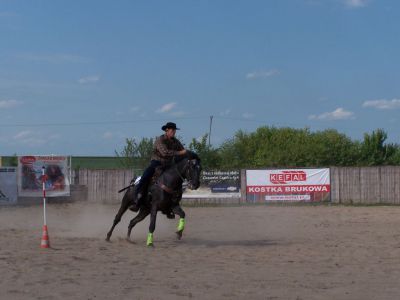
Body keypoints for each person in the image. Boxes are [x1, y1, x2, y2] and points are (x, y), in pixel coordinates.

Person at [131, 122, 187, 210]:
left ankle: (172, 202)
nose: (174, 132)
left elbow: (184, 151)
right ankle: (137, 198)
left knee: (177, 177)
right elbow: (164, 153)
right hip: (156, 162)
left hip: (168, 164)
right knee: (146, 175)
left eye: (175, 130)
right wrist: (180, 152)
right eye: (172, 130)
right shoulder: (160, 140)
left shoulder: (176, 142)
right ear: (167, 130)